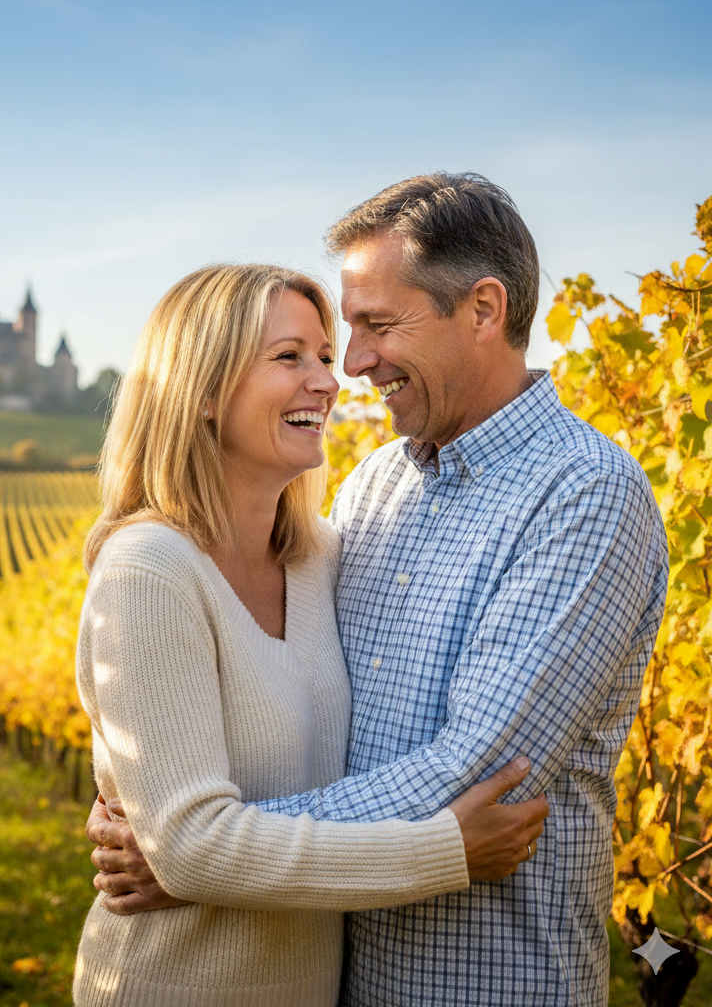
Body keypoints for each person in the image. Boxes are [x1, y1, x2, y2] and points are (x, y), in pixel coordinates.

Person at [86, 174, 670, 1006]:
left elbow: (480, 773)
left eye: (375, 326)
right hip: (341, 979)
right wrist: (184, 835)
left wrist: (194, 856)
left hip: (485, 986)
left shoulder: (583, 493)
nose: (352, 367)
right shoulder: (372, 490)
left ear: (483, 309)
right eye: (334, 338)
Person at [73, 262, 548, 1007]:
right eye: (289, 357)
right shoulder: (151, 570)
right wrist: (441, 851)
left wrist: (190, 850)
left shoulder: (322, 558)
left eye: (324, 356)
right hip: (175, 987)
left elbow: (196, 845)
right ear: (202, 390)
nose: (328, 381)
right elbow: (190, 845)